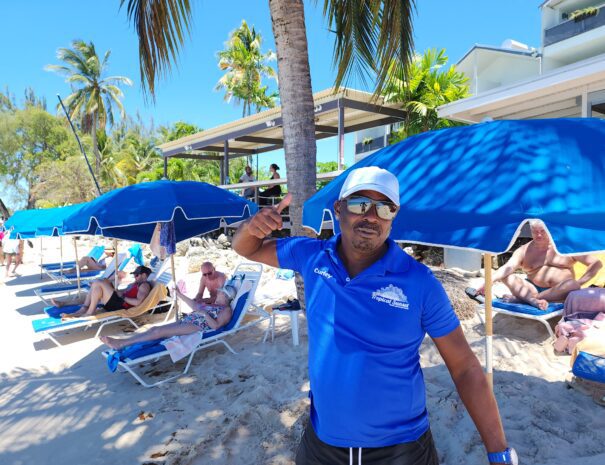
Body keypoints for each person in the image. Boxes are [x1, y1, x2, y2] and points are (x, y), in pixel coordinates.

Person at [232, 166, 516, 465]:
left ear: (394, 217)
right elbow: (246, 249)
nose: (371, 217)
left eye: (384, 209)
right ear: (339, 208)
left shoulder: (419, 282)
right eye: (359, 205)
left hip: (401, 450)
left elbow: (465, 368)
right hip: (322, 444)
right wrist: (251, 227)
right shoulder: (311, 255)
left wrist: (499, 453)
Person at [476, 220, 602, 310]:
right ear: (530, 231)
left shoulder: (564, 247)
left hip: (560, 292)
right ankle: (532, 299)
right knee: (507, 276)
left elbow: (596, 263)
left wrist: (580, 282)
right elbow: (508, 267)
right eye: (535, 231)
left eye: (542, 231)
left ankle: (526, 299)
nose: (539, 235)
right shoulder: (523, 250)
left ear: (549, 229)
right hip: (531, 289)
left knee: (572, 284)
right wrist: (489, 280)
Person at [100, 284, 236, 350]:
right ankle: (124, 342)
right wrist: (179, 294)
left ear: (226, 297)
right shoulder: (212, 304)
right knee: (154, 329)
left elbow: (216, 326)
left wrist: (205, 314)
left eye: (220, 293)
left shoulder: (226, 310)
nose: (217, 294)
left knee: (159, 332)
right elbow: (195, 306)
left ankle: (121, 344)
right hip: (189, 320)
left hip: (198, 326)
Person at [61, 265, 153, 318]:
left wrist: (122, 296)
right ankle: (83, 310)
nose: (134, 277)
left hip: (120, 305)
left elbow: (138, 302)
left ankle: (89, 311)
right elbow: (125, 292)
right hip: (117, 302)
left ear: (144, 275)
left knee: (98, 282)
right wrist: (117, 291)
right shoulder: (136, 284)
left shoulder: (144, 286)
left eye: (136, 275)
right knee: (96, 286)